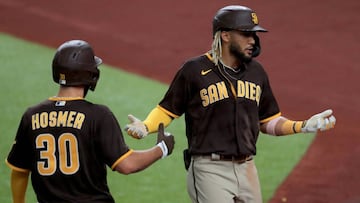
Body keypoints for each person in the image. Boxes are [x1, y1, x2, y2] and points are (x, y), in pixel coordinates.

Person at [125, 5, 336, 203]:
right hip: (210, 169)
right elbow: (167, 110)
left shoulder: (256, 72)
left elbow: (268, 122)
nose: (253, 40)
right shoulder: (194, 70)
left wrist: (303, 125)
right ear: (225, 35)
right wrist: (145, 126)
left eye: (254, 34)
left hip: (247, 168)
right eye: (246, 34)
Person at [5, 39, 175, 203]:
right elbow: (127, 165)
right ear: (90, 75)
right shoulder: (98, 115)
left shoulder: (31, 116)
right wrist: (162, 149)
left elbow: (19, 170)